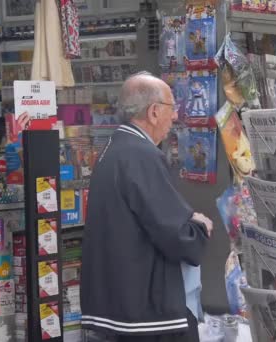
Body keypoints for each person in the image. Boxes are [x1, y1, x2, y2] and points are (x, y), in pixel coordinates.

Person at [81, 72, 213, 342]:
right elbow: (175, 235)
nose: (175, 117)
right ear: (154, 111)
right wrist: (199, 226)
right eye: (172, 108)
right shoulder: (141, 154)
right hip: (146, 315)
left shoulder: (114, 149)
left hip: (117, 307)